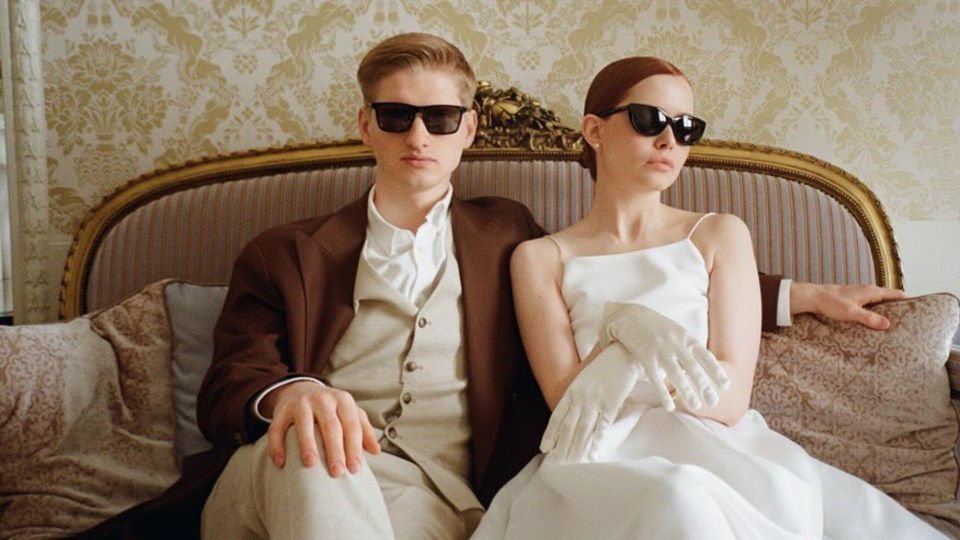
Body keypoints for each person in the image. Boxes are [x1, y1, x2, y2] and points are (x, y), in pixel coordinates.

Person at [78, 34, 909, 540]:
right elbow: (230, 380)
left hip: (440, 503)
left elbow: (638, 273)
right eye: (396, 116)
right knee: (315, 449)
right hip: (280, 479)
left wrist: (793, 294)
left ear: (468, 129)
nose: (419, 134)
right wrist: (293, 393)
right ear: (366, 124)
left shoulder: (506, 235)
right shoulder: (284, 252)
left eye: (440, 118)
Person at [473, 56, 943, 539]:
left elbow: (731, 398)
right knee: (675, 497)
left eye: (685, 128)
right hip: (598, 459)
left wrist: (628, 354)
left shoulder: (718, 234)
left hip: (718, 448)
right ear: (595, 130)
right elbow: (566, 399)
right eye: (648, 119)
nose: (668, 140)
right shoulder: (539, 258)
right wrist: (623, 327)